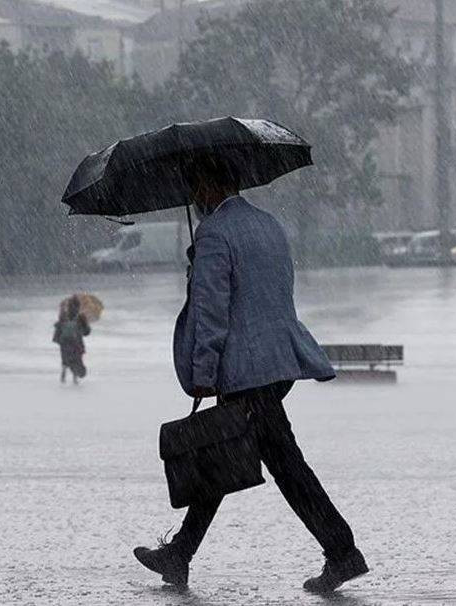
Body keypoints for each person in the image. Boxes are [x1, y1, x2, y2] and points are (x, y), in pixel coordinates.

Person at [132, 156, 367, 594]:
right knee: (222, 455)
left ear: (207, 183)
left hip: (245, 371)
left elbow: (212, 312)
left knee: (283, 465)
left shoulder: (215, 233)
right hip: (276, 362)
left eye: (194, 186)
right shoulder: (268, 225)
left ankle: (342, 551)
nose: (192, 197)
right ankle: (180, 553)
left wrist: (203, 372)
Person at [52, 296, 91, 384]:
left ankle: (64, 373)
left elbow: (58, 328)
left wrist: (58, 339)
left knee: (65, 358)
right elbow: (86, 332)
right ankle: (75, 378)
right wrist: (85, 323)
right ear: (78, 306)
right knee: (77, 359)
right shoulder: (81, 316)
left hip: (65, 342)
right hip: (77, 342)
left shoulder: (63, 315)